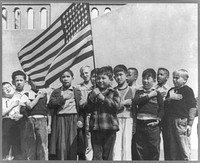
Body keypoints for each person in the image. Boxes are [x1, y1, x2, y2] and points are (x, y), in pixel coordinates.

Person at [85, 66, 120, 160]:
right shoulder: (93, 92)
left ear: (110, 79)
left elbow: (116, 107)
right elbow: (88, 109)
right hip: (96, 128)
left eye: (103, 78)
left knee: (108, 155)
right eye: (98, 78)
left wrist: (103, 98)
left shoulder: (114, 92)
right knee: (97, 155)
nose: (100, 81)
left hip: (109, 128)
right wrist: (92, 97)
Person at [48, 69, 81, 160]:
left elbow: (81, 108)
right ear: (60, 79)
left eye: (68, 76)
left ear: (72, 78)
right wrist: (63, 98)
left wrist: (80, 120)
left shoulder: (77, 91)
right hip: (60, 119)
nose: (65, 79)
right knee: (61, 146)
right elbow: (51, 104)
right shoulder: (56, 91)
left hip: (73, 118)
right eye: (63, 77)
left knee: (72, 145)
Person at [165, 69, 196, 160]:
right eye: (173, 78)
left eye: (177, 78)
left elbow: (192, 107)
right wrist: (169, 99)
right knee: (173, 149)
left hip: (181, 122)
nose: (174, 80)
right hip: (170, 121)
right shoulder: (171, 90)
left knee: (183, 147)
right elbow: (165, 105)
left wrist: (190, 124)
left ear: (185, 80)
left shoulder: (188, 90)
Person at [133, 68, 164, 160]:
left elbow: (162, 109)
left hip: (153, 125)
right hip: (140, 124)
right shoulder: (139, 92)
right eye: (143, 78)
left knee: (154, 149)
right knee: (140, 149)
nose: (145, 81)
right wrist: (149, 96)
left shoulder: (157, 93)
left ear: (154, 80)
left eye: (148, 78)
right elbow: (135, 102)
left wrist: (158, 121)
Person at [21, 78, 52, 160]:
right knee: (31, 145)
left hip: (42, 120)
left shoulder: (45, 94)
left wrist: (49, 125)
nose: (35, 82)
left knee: (42, 145)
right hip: (30, 121)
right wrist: (38, 96)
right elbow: (30, 106)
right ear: (29, 82)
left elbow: (48, 111)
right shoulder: (26, 94)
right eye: (33, 80)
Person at [112, 64, 136, 160]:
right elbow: (111, 106)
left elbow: (136, 106)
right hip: (116, 119)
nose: (119, 77)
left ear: (126, 75)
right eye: (116, 75)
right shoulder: (113, 91)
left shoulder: (133, 90)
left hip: (129, 118)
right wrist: (123, 103)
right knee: (116, 145)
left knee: (127, 145)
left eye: (121, 74)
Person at [2, 81, 29, 160]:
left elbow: (25, 113)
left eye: (8, 87)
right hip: (6, 123)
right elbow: (2, 113)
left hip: (17, 123)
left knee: (17, 145)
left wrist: (20, 116)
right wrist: (12, 105)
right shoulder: (3, 100)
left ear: (12, 87)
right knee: (6, 144)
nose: (7, 89)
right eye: (4, 88)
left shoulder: (18, 98)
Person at [154, 67, 171, 160]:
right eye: (157, 74)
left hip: (166, 119)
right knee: (154, 142)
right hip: (155, 117)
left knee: (167, 142)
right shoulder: (153, 88)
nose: (158, 76)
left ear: (167, 77)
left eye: (161, 74)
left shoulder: (170, 89)